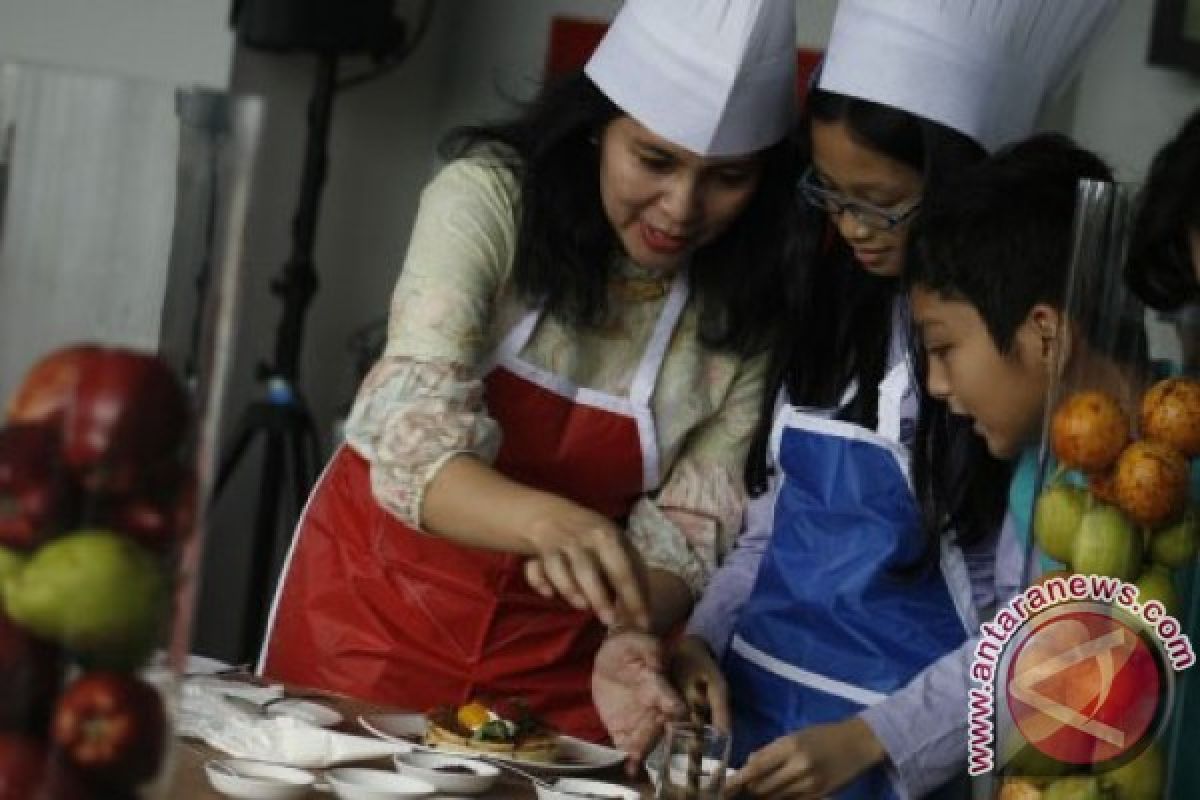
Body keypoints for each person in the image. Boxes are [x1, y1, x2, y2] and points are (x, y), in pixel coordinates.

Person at [592, 0, 1117, 796]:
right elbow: (768, 533)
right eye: (831, 195)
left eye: (879, 203)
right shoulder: (827, 315)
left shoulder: (1008, 382)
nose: (851, 228)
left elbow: (1042, 632)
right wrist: (700, 640)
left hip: (900, 770)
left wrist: (874, 741)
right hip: (753, 745)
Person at [256, 0, 801, 743]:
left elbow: (692, 530)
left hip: (566, 667)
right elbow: (411, 440)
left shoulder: (745, 312)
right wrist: (552, 524)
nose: (682, 207)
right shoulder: (488, 201)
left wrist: (632, 636)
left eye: (728, 177)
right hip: (371, 618)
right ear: (596, 129)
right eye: (654, 160)